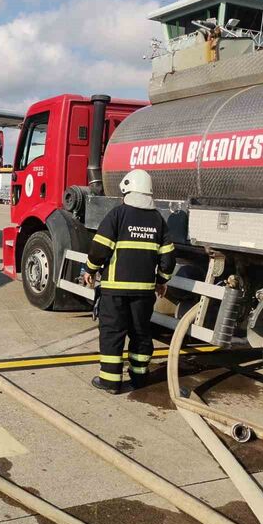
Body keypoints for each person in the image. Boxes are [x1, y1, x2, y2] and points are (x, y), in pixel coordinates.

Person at [82, 169, 176, 395]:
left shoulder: (118, 214)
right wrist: (161, 281)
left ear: (128, 188)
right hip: (144, 292)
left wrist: (90, 269)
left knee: (113, 333)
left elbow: (99, 248)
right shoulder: (158, 220)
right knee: (141, 332)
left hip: (115, 290)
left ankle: (110, 381)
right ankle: (140, 378)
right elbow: (168, 258)